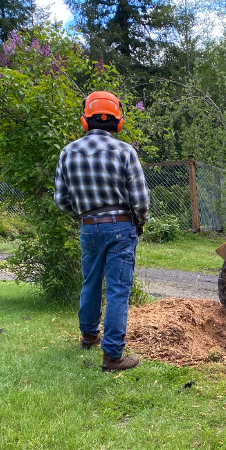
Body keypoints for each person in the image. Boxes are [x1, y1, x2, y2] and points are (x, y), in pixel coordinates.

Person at [53, 91, 150, 372]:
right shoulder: (125, 151)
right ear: (118, 122)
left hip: (88, 228)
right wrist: (139, 222)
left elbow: (61, 199)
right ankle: (113, 357)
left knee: (91, 281)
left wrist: (83, 216)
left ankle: (89, 336)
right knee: (118, 290)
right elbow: (141, 200)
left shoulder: (68, 152)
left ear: (86, 120)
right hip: (121, 226)